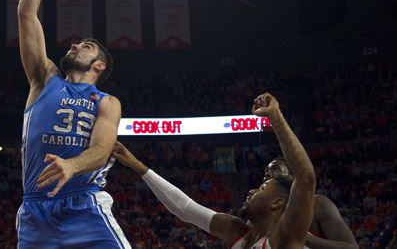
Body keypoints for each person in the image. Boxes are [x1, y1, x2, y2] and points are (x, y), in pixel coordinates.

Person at [15, 0, 130, 248]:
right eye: (76, 43)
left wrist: (72, 165)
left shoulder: (107, 102)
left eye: (86, 46)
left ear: (99, 66)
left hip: (84, 204)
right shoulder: (44, 79)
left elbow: (102, 149)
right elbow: (26, 16)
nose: (76, 45)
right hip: (35, 208)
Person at [113, 93, 316, 249]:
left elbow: (305, 178)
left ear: (277, 202)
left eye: (263, 187)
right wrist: (136, 165)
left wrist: (275, 117)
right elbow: (183, 208)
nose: (252, 191)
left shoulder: (285, 236)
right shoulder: (238, 231)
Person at [263, 157, 357, 248]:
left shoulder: (317, 204)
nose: (267, 174)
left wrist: (300, 236)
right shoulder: (261, 216)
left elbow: (352, 247)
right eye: (266, 171)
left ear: (293, 177)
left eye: (276, 169)